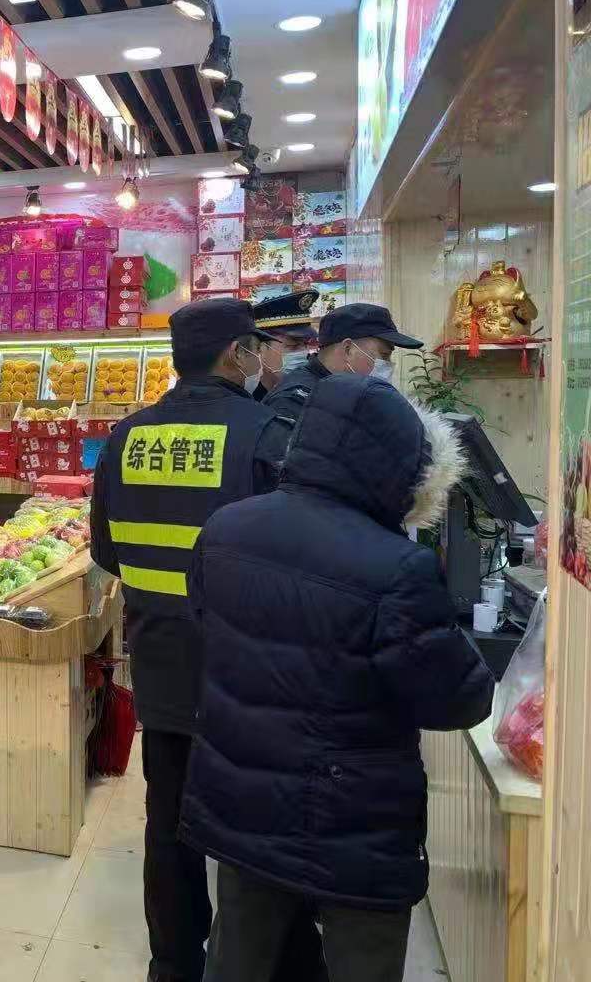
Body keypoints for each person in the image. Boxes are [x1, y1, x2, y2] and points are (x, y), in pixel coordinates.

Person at [180, 373, 495, 982]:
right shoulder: (398, 568)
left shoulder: (226, 529)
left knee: (236, 957)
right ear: (401, 468)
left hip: (243, 801)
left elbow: (207, 625)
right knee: (362, 963)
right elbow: (458, 700)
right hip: (353, 826)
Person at [90, 298, 293, 982]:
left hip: (161, 665)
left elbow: (107, 552)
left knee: (169, 821)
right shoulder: (267, 433)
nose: (263, 358)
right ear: (236, 354)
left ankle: (173, 964)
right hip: (246, 669)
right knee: (248, 827)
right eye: (257, 347)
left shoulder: (126, 438)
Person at [264, 302, 422, 422]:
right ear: (348, 349)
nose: (389, 364)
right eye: (384, 355)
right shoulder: (295, 403)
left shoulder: (346, 392)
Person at [250, 289, 319, 400]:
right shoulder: (245, 398)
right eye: (293, 346)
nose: (303, 353)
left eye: (305, 344)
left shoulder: (317, 394)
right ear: (260, 349)